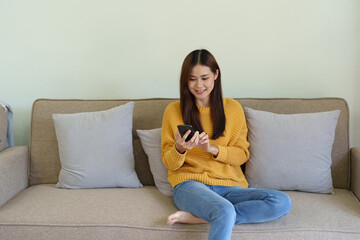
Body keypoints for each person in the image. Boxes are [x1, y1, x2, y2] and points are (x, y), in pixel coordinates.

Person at [161, 49, 291, 240]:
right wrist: (180, 149)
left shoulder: (233, 109)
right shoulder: (173, 111)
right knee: (224, 209)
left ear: (216, 75)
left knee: (281, 202)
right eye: (192, 79)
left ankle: (201, 218)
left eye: (204, 77)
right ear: (185, 80)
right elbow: (169, 163)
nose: (199, 85)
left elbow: (242, 155)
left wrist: (212, 149)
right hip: (189, 185)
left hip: (230, 187)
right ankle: (219, 215)